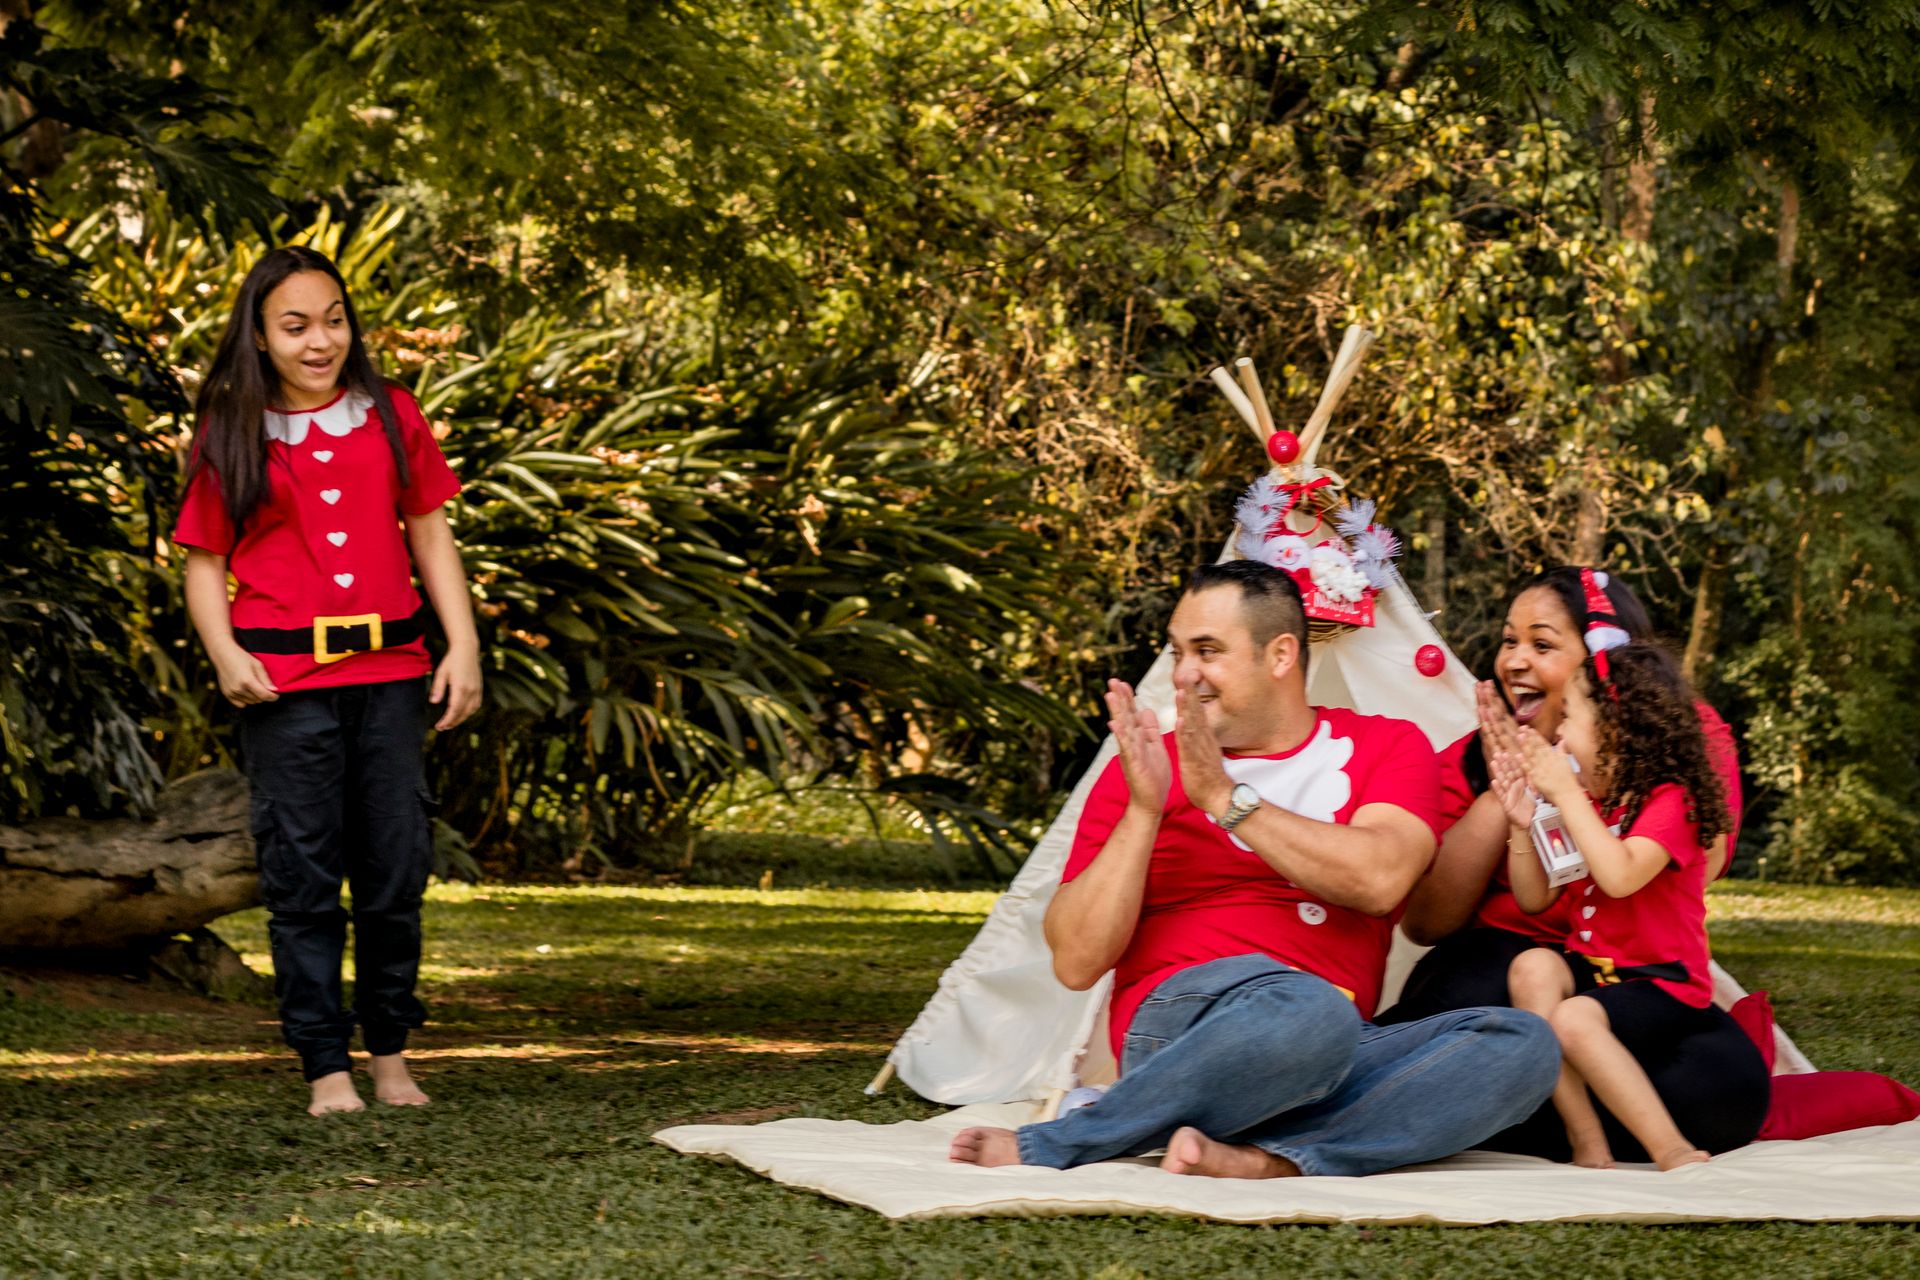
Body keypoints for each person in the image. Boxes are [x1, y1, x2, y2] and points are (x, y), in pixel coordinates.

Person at [947, 561, 1558, 1177]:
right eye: (1178, 650)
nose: (1185, 674)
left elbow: (1379, 881)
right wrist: (1144, 809)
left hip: (1332, 1045)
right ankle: (1068, 1139)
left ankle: (1269, 1159)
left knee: (1523, 1046)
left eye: (1207, 651)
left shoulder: (1387, 746)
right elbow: (1076, 962)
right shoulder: (1143, 769)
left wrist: (1224, 799)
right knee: (1306, 1009)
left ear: (1281, 655)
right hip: (1186, 1030)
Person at [173, 246, 482, 1116]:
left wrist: (462, 648)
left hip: (393, 674)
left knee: (394, 871)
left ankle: (390, 1056)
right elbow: (203, 563)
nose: (320, 341)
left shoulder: (391, 414)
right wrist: (228, 656)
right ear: (261, 339)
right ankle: (325, 1068)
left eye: (334, 320)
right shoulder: (231, 429)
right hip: (284, 682)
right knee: (302, 876)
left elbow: (430, 535)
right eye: (296, 326)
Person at [1386, 567, 1768, 1161]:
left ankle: (1508, 1118)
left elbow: (1698, 859)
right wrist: (1509, 790)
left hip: (1627, 976)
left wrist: (1585, 780)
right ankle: (1548, 1124)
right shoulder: (1472, 756)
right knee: (1496, 984)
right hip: (1505, 969)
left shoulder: (1681, 750)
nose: (1513, 660)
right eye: (1509, 640)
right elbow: (1427, 925)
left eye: (1541, 644)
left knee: (1722, 1092)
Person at [1489, 634, 1740, 1170]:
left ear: (1618, 732)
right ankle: (1588, 1140)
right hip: (1597, 970)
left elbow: (1621, 875)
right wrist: (1521, 824)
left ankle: (1669, 1146)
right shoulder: (1592, 804)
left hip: (1663, 979)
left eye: (1572, 717)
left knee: (1575, 1020)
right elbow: (1536, 898)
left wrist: (1566, 794)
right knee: (1532, 967)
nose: (1558, 731)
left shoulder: (1675, 801)